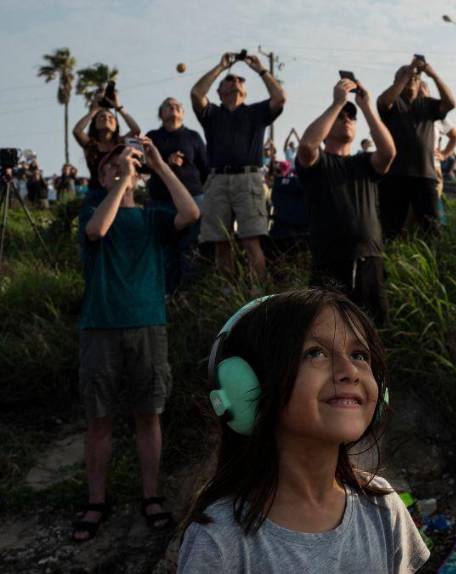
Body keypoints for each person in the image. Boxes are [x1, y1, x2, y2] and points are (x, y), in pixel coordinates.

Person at [177, 290, 429, 572]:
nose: (349, 371)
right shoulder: (219, 540)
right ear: (247, 387)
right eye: (315, 353)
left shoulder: (383, 509)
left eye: (359, 355)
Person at [72, 141, 201, 543]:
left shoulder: (152, 218)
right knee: (99, 419)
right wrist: (123, 178)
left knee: (149, 414)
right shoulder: (92, 213)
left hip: (148, 326)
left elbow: (191, 213)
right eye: (112, 165)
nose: (121, 168)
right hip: (101, 327)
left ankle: (151, 495)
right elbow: (98, 231)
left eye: (126, 163)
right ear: (102, 176)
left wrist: (160, 166)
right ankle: (97, 500)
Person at [296, 77, 396, 324]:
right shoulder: (318, 164)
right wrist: (337, 103)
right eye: (341, 116)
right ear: (328, 125)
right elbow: (308, 145)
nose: (347, 119)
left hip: (369, 261)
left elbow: (389, 152)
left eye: (351, 117)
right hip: (329, 263)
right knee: (328, 333)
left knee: (372, 334)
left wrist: (366, 107)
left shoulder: (363, 163)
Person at [190, 51, 286, 282]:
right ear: (220, 91)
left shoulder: (256, 112)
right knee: (221, 242)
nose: (236, 82)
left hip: (248, 180)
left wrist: (260, 69)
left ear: (245, 90)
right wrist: (221, 67)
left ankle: (256, 295)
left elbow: (280, 97)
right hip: (218, 181)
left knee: (251, 240)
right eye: (231, 80)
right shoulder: (212, 113)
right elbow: (196, 93)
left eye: (240, 80)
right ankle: (227, 296)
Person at [377, 56, 456, 238]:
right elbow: (384, 101)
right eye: (405, 77)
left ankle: (431, 262)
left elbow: (450, 103)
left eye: (415, 78)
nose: (411, 79)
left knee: (433, 228)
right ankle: (390, 262)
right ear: (397, 81)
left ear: (420, 83)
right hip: (395, 175)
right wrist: (407, 74)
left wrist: (433, 74)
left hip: (424, 175)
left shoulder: (427, 105)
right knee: (391, 228)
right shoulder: (392, 103)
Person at [146, 97, 209, 293]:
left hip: (193, 199)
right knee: (165, 250)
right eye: (168, 106)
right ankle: (166, 294)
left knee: (191, 248)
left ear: (182, 113)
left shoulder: (193, 137)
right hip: (161, 201)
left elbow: (205, 168)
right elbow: (142, 166)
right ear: (160, 113)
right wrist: (165, 162)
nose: (174, 108)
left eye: (177, 106)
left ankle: (189, 294)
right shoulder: (153, 137)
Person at [73, 88, 142, 185]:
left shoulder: (120, 142)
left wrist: (118, 107)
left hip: (119, 188)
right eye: (101, 117)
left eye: (111, 117)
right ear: (95, 125)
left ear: (116, 126)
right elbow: (77, 131)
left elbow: (136, 130)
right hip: (96, 193)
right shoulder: (91, 144)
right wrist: (95, 109)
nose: (106, 118)